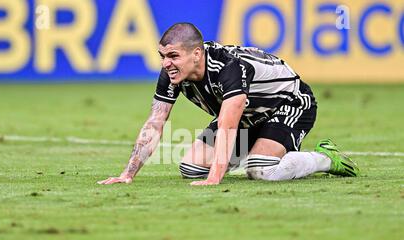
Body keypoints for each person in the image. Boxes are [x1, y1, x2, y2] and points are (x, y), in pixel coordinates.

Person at [98, 23, 360, 186]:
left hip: (288, 103)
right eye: (163, 56)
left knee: (260, 171)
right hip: (248, 115)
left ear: (197, 54)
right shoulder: (173, 73)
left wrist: (215, 179)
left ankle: (325, 158)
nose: (166, 63)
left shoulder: (228, 67)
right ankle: (265, 151)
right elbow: (155, 122)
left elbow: (228, 123)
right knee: (190, 169)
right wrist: (128, 174)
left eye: (173, 56)